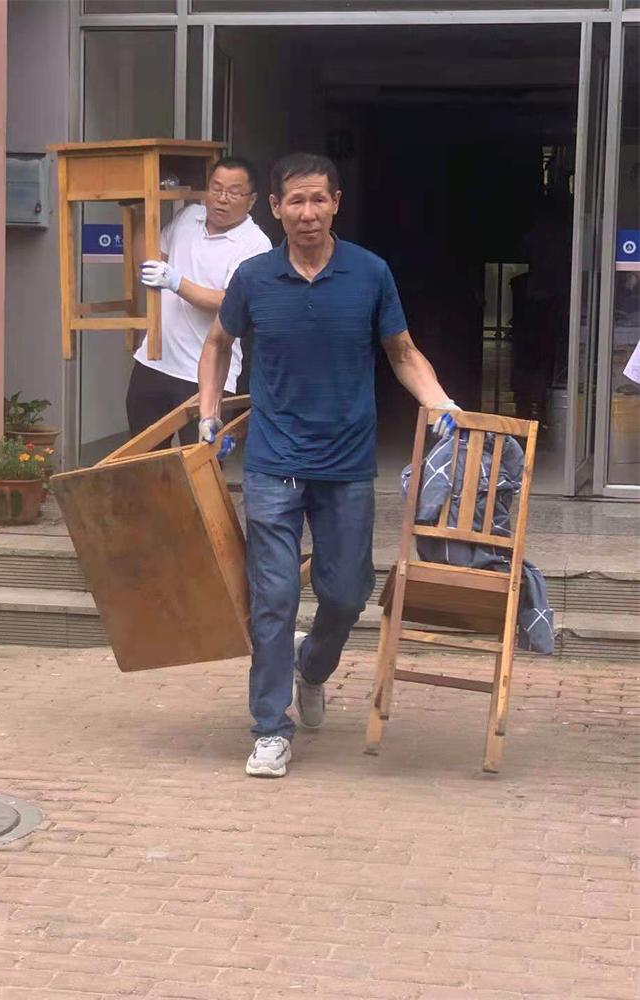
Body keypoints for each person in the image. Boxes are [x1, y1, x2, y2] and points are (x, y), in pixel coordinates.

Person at [197, 152, 461, 778]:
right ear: (276, 208)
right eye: (296, 201)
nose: (308, 212)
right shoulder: (254, 277)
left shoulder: (369, 273)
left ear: (336, 203)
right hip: (273, 462)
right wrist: (208, 411)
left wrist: (442, 403)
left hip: (345, 465)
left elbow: (402, 352)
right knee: (274, 597)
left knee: (345, 594)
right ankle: (269, 728)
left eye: (319, 199)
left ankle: (311, 665)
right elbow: (217, 344)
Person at [125, 157, 272, 447]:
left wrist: (177, 282)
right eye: (216, 189)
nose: (222, 199)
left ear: (252, 200)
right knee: (143, 459)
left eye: (233, 192)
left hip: (208, 376)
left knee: (200, 463)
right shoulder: (188, 217)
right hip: (154, 361)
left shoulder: (255, 243)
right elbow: (151, 266)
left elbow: (230, 301)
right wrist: (141, 211)